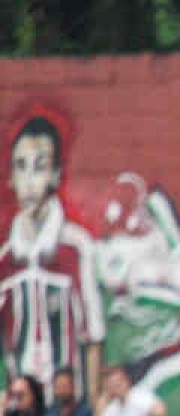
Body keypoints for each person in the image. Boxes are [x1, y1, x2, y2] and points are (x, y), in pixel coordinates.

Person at [1, 116, 105, 400]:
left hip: (66, 407)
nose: (29, 181)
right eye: (21, 167)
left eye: (40, 167)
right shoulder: (6, 261)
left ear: (56, 175)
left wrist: (94, 410)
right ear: (11, 177)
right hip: (23, 409)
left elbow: (92, 336)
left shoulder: (75, 247)